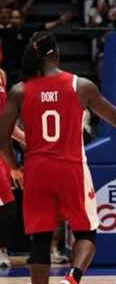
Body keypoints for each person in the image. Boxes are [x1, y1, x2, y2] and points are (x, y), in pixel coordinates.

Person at [0, 32, 116, 284]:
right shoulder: (80, 85)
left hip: (37, 168)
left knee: (40, 237)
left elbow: (2, 137)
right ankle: (72, 279)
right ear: (55, 52)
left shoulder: (20, 90)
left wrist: (15, 167)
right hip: (70, 166)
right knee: (86, 231)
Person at [0, 68, 25, 268]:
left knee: (8, 205)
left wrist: (31, 139)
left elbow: (6, 124)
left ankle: (1, 249)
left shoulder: (1, 75)